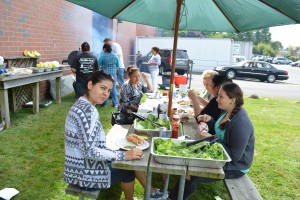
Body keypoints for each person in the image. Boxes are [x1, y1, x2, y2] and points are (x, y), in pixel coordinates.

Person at [64, 70, 163, 200]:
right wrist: (124, 155)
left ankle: (150, 192)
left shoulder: (81, 104)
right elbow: (90, 151)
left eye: (109, 91)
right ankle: (146, 194)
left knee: (127, 157)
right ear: (90, 85)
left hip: (77, 170)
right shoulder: (88, 111)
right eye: (102, 88)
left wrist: (118, 153)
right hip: (85, 176)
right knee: (128, 167)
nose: (106, 94)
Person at [169, 82, 255, 200]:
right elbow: (221, 131)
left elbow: (235, 156)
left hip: (236, 166)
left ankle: (173, 198)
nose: (217, 99)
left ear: (232, 100)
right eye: (217, 95)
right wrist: (210, 120)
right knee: (189, 157)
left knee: (191, 172)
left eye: (221, 97)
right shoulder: (226, 110)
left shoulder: (241, 123)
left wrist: (211, 139)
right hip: (221, 155)